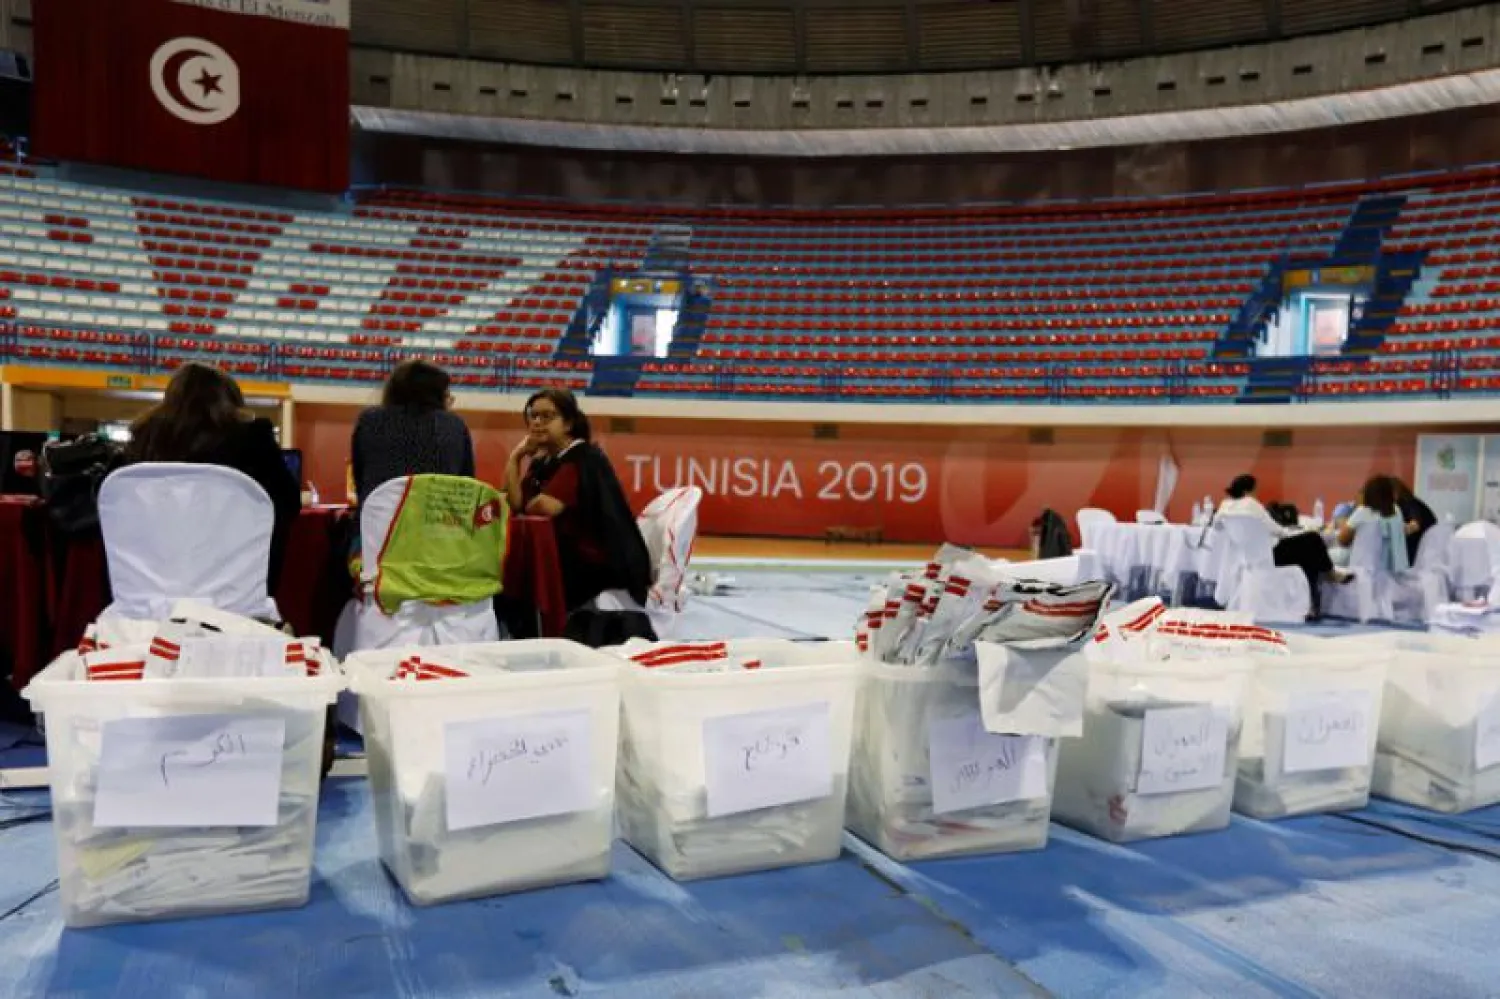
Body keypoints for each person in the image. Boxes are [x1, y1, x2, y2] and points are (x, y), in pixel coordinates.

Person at [123, 362, 301, 585]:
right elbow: (288, 504)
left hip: (147, 589)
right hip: (235, 588)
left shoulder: (139, 444)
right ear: (232, 401)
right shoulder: (254, 441)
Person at [504, 388, 653, 613]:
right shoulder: (545, 461)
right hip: (565, 557)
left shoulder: (582, 458)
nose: (537, 422)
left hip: (596, 565)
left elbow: (544, 507)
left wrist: (528, 503)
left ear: (568, 423)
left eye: (547, 416)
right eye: (533, 416)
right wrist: (516, 457)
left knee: (516, 575)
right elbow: (514, 503)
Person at [350, 360, 474, 507]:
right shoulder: (455, 425)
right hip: (436, 525)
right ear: (437, 396)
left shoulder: (369, 421)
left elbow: (360, 483)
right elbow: (466, 487)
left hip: (378, 524)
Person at [1218, 474, 1339, 619]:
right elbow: (1277, 530)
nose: (1257, 495)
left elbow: (1217, 526)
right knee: (1313, 539)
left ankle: (1314, 603)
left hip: (1248, 558)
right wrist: (1294, 531)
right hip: (1269, 556)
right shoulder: (1251, 503)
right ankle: (1328, 575)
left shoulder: (1225, 507)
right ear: (1246, 491)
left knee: (1308, 553)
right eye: (1256, 491)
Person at [1336, 475, 1411, 574]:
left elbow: (1342, 541)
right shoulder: (1397, 512)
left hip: (1364, 574)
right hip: (1394, 575)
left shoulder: (1363, 513)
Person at [1392, 478, 1437, 565]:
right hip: (1419, 541)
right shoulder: (1398, 505)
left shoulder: (1409, 503)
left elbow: (1415, 525)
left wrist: (1397, 531)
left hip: (1423, 542)